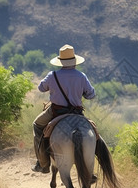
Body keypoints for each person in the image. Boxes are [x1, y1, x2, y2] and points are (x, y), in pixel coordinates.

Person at [32, 44, 96, 173]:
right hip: (77, 113)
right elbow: (91, 95)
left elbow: (41, 88)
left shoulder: (52, 75)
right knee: (94, 132)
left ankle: (43, 164)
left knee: (37, 125)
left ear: (60, 62)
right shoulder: (81, 76)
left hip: (56, 111)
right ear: (75, 62)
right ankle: (93, 167)